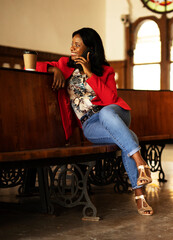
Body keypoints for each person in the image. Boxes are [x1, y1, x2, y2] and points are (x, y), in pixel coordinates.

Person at [36, 27, 153, 216]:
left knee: (107, 113)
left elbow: (109, 100)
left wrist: (89, 72)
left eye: (77, 45)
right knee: (129, 137)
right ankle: (140, 184)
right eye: (72, 44)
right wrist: (54, 69)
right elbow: (34, 65)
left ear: (89, 49)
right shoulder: (65, 64)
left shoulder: (105, 70)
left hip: (115, 113)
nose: (72, 48)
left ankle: (139, 169)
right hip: (90, 124)